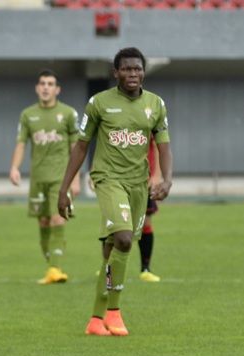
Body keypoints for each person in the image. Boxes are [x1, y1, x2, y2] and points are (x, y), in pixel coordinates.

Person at [57, 47, 173, 336]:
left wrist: (167, 179)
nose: (132, 74)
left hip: (138, 184)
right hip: (108, 179)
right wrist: (64, 188)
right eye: (126, 69)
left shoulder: (156, 104)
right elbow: (81, 145)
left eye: (137, 69)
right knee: (123, 239)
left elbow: (164, 145)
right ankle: (114, 312)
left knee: (113, 250)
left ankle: (96, 320)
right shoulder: (99, 103)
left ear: (143, 72)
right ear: (116, 72)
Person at [9, 69, 80, 284]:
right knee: (43, 223)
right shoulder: (27, 115)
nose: (46, 87)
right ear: (37, 88)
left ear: (57, 89)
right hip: (38, 177)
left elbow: (76, 145)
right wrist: (14, 167)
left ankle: (55, 268)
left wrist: (76, 177)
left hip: (61, 177)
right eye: (43, 83)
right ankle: (51, 264)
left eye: (50, 84)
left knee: (58, 217)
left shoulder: (68, 113)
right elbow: (21, 143)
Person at [139, 140, 162, 282]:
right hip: (119, 179)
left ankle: (145, 269)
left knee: (145, 222)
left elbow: (159, 145)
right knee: (113, 223)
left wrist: (157, 174)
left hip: (145, 180)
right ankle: (108, 269)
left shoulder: (151, 117)